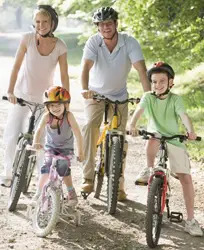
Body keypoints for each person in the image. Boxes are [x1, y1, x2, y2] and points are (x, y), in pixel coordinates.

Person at [80, 6, 150, 201]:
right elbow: (85, 67)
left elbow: (141, 71)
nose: (105, 27)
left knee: (119, 139)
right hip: (96, 95)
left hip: (119, 96)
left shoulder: (129, 42)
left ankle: (118, 186)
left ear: (116, 24)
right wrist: (85, 89)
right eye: (101, 24)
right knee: (90, 127)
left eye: (109, 23)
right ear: (98, 27)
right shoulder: (94, 42)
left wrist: (148, 97)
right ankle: (87, 177)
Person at [129, 61, 203, 236]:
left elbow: (183, 116)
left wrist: (190, 131)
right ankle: (148, 169)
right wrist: (132, 125)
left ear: (171, 82)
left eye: (162, 81)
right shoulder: (148, 97)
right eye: (154, 81)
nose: (158, 85)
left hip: (174, 139)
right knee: (153, 136)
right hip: (155, 136)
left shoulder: (175, 99)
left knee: (185, 177)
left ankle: (191, 220)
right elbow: (139, 111)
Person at [0, 5, 69, 187]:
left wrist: (65, 100)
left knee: (43, 140)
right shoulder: (27, 39)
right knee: (12, 134)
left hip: (45, 100)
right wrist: (10, 91)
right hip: (22, 95)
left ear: (52, 23)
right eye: (37, 21)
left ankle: (42, 178)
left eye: (45, 21)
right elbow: (16, 67)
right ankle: (7, 172)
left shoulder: (60, 46)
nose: (41, 25)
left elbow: (64, 76)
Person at [31, 86, 84, 206]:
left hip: (66, 149)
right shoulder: (47, 117)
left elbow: (78, 134)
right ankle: (38, 192)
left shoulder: (69, 116)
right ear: (47, 107)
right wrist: (36, 142)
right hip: (51, 148)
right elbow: (39, 130)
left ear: (65, 105)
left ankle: (71, 192)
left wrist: (81, 152)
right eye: (52, 106)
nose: (55, 108)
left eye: (58, 105)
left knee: (63, 166)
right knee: (46, 165)